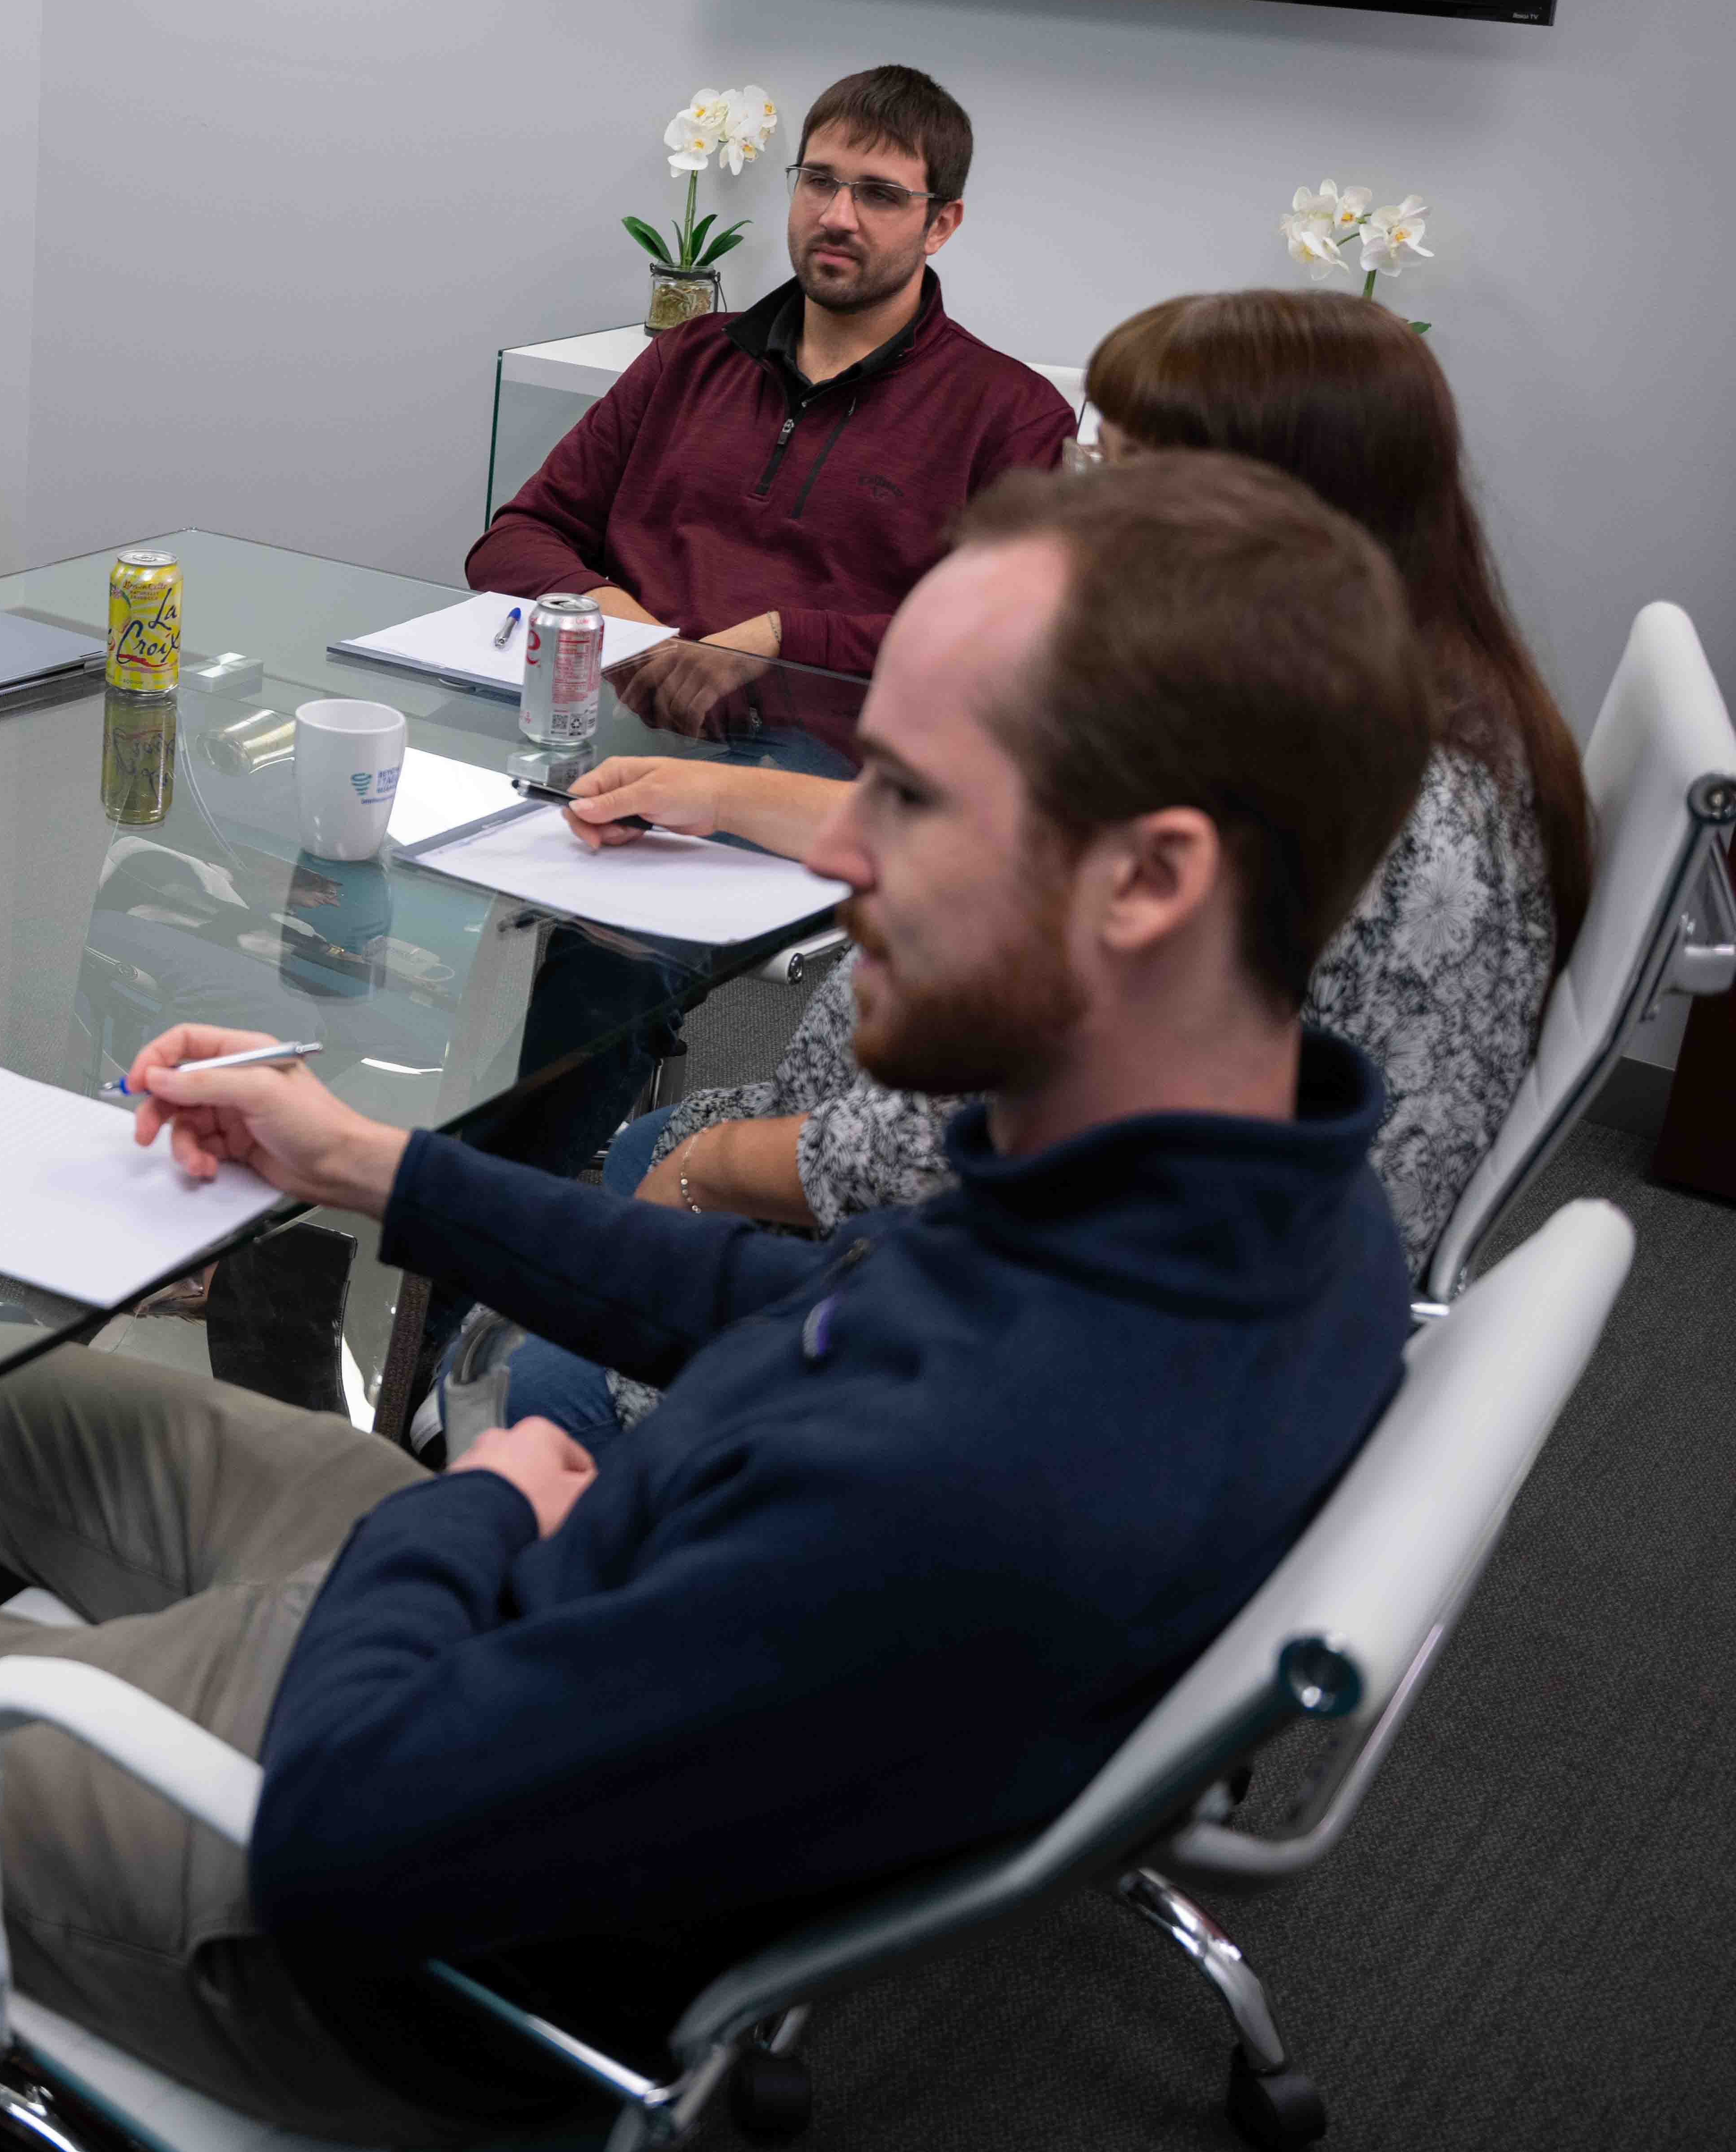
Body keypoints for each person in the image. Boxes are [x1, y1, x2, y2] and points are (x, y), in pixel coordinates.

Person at [0, 452, 1431, 2152]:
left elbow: (347, 1838)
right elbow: (783, 1295)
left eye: (910, 801)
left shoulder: (969, 1471)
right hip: (521, 1637)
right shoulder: (1282, 1195)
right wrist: (370, 1168)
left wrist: (479, 1505)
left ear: (1153, 880)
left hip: (338, 1902)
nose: (837, 854)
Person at [508, 287, 1583, 1440]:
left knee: (561, 1331)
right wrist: (723, 793)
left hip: (1004, 1304)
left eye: (1121, 474)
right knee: (611, 1173)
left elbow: (953, 1149)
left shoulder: (1300, 802)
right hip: (1002, 1232)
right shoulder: (1385, 716)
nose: (1084, 508)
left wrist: (714, 1167)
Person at [467, 64, 1075, 726]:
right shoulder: (689, 355)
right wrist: (636, 639)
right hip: (605, 722)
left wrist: (782, 643)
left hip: (824, 776)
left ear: (940, 225)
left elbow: (1001, 645)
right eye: (819, 182)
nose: (837, 217)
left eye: (879, 195)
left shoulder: (1013, 414)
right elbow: (515, 540)